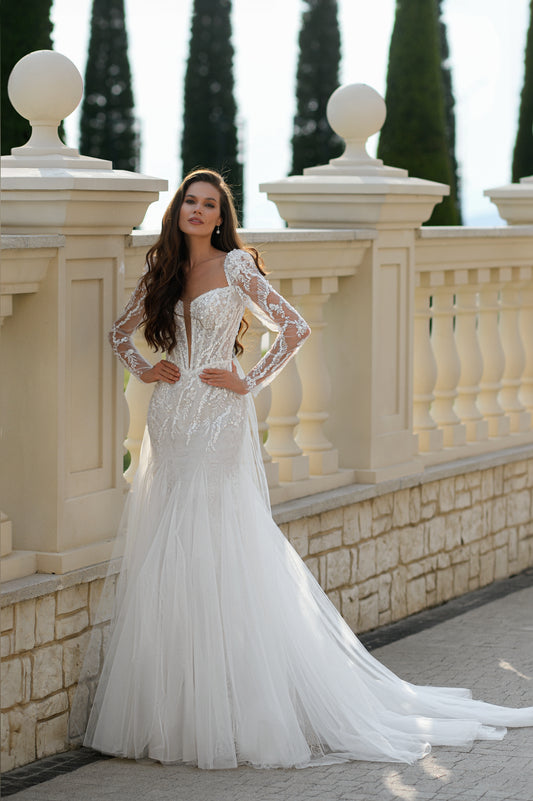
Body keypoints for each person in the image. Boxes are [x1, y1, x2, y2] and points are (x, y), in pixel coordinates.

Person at [81, 168, 533, 769]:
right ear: (177, 210)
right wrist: (145, 369)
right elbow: (118, 335)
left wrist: (248, 380)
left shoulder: (237, 266)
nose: (196, 211)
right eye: (189, 201)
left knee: (218, 538)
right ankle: (178, 707)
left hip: (219, 413)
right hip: (169, 417)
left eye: (208, 204)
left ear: (222, 216)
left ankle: (236, 707)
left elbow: (294, 327)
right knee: (170, 542)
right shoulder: (162, 269)